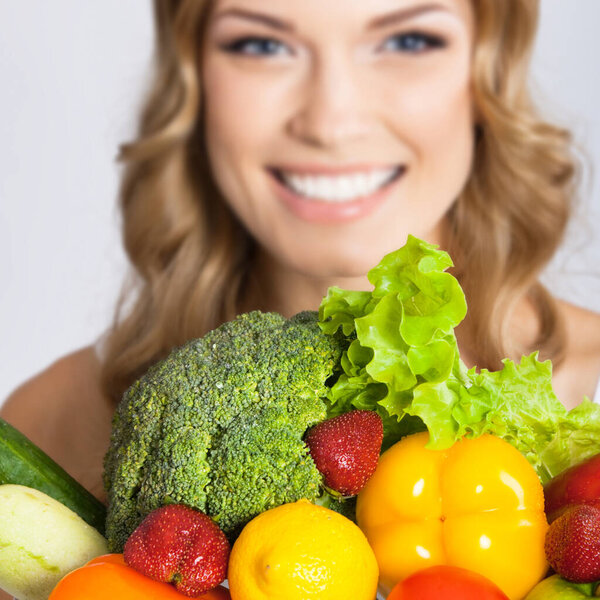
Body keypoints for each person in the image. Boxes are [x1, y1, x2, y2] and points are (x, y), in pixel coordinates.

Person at [2, 0, 600, 505]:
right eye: (263, 46)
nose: (331, 122)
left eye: (408, 40)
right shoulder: (52, 427)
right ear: (194, 79)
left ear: (487, 70)